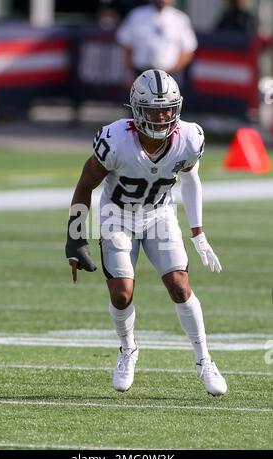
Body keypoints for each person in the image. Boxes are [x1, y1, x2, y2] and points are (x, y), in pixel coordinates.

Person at [65, 69, 227, 396]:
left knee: (180, 287)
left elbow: (191, 179)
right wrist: (75, 237)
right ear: (137, 109)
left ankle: (204, 359)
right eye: (154, 109)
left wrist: (198, 233)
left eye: (167, 109)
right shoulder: (115, 141)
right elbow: (85, 185)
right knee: (121, 294)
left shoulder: (189, 138)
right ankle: (128, 349)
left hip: (158, 214)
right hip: (117, 215)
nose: (162, 116)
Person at [115, 0, 198, 87]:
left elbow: (188, 50)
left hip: (169, 76)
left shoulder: (180, 19)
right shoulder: (136, 15)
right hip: (140, 74)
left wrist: (171, 72)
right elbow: (126, 45)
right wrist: (129, 73)